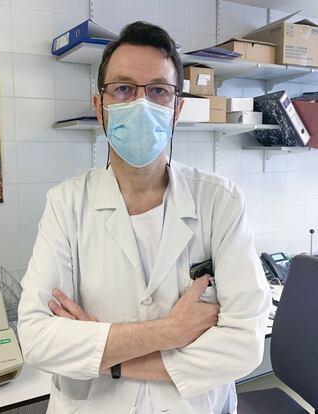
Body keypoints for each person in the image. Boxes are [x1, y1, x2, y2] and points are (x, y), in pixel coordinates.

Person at [18, 21, 271, 414]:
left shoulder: (219, 200)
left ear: (177, 108)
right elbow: (37, 338)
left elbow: (245, 343)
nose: (141, 104)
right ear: (99, 106)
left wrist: (112, 359)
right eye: (123, 88)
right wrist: (169, 332)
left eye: (158, 91)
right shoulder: (66, 203)